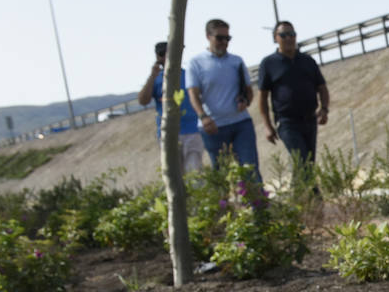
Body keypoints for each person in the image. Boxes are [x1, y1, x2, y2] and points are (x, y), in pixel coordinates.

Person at [185, 18, 260, 181]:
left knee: (250, 168)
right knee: (222, 175)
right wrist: (203, 117)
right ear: (208, 36)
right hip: (214, 127)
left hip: (241, 123)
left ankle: (258, 205)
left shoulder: (236, 61)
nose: (224, 42)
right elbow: (193, 94)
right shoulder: (195, 63)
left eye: (227, 38)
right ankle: (226, 206)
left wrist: (246, 101)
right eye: (220, 38)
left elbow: (249, 90)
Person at [258, 20, 329, 171]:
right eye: (284, 35)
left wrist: (324, 109)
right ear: (276, 38)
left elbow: (322, 87)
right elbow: (262, 98)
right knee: (302, 161)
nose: (289, 38)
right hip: (287, 122)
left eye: (292, 34)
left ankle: (300, 194)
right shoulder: (269, 64)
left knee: (307, 163)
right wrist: (267, 126)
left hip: (310, 120)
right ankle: (315, 194)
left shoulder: (307, 61)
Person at [138, 41, 205, 174]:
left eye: (167, 53)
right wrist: (152, 76)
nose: (165, 58)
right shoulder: (157, 79)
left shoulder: (189, 74)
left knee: (194, 172)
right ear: (157, 57)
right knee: (174, 174)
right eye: (161, 54)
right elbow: (143, 100)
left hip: (192, 130)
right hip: (168, 133)